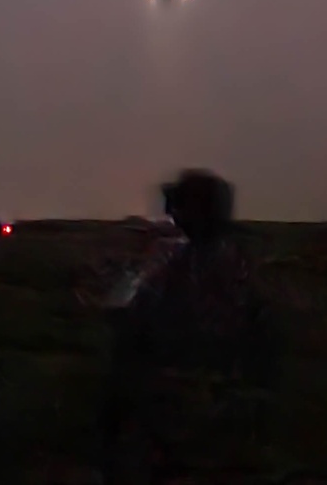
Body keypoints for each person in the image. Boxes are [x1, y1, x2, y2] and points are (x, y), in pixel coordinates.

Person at [98, 171, 280, 481]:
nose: (171, 214)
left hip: (197, 406)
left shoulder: (217, 267)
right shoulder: (211, 261)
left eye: (180, 206)